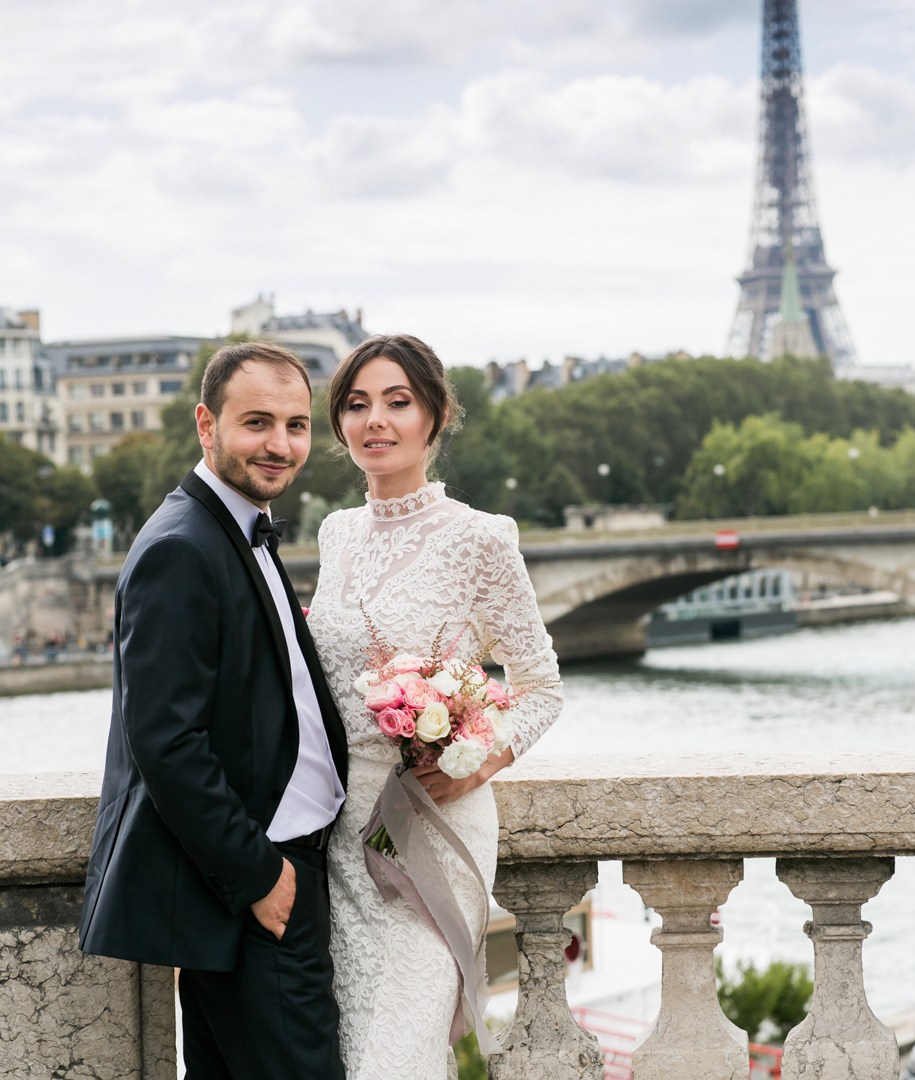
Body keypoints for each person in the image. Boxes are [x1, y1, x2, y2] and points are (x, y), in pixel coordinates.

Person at [79, 340, 348, 1079]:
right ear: (206, 425)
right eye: (256, 422)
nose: (280, 445)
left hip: (267, 874)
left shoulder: (231, 526)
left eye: (295, 426)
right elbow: (165, 741)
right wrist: (259, 875)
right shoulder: (183, 546)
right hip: (257, 882)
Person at [307, 334, 562, 1078]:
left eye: (397, 402)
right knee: (358, 1047)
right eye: (356, 405)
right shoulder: (336, 533)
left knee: (395, 1053)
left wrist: (479, 759)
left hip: (434, 823)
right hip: (343, 830)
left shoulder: (480, 539)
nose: (374, 421)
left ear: (435, 416)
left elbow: (541, 687)